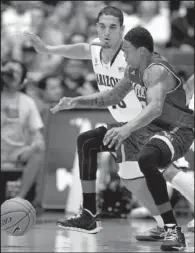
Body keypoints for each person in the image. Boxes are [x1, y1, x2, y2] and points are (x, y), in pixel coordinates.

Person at [26, 7, 193, 250]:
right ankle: (91, 216)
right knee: (105, 156)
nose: (106, 34)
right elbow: (112, 94)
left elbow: (156, 107)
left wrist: (126, 130)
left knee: (161, 168)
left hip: (167, 127)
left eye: (113, 28)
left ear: (127, 37)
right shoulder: (127, 64)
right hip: (137, 126)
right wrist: (74, 101)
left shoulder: (151, 66)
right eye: (102, 26)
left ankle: (170, 228)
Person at [1, 59, 45, 210]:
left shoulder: (27, 102)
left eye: (16, 72)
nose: (10, 74)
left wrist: (35, 143)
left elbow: (36, 133)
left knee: (39, 148)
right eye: (8, 70)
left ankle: (18, 199)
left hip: (15, 152)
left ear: (22, 81)